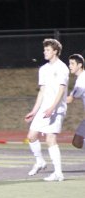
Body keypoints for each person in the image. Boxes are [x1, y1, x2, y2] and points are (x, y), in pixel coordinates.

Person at [24, 38, 69, 181]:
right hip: (44, 109)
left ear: (55, 51)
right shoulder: (43, 69)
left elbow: (61, 91)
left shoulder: (62, 68)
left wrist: (52, 107)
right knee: (31, 136)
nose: (45, 52)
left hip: (57, 109)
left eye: (48, 50)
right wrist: (34, 110)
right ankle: (40, 161)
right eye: (44, 49)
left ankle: (58, 173)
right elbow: (42, 92)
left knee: (51, 139)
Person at [66, 53, 85, 150]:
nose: (69, 66)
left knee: (77, 141)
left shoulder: (82, 80)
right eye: (69, 64)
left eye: (72, 64)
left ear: (80, 65)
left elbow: (69, 100)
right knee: (77, 142)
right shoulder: (80, 79)